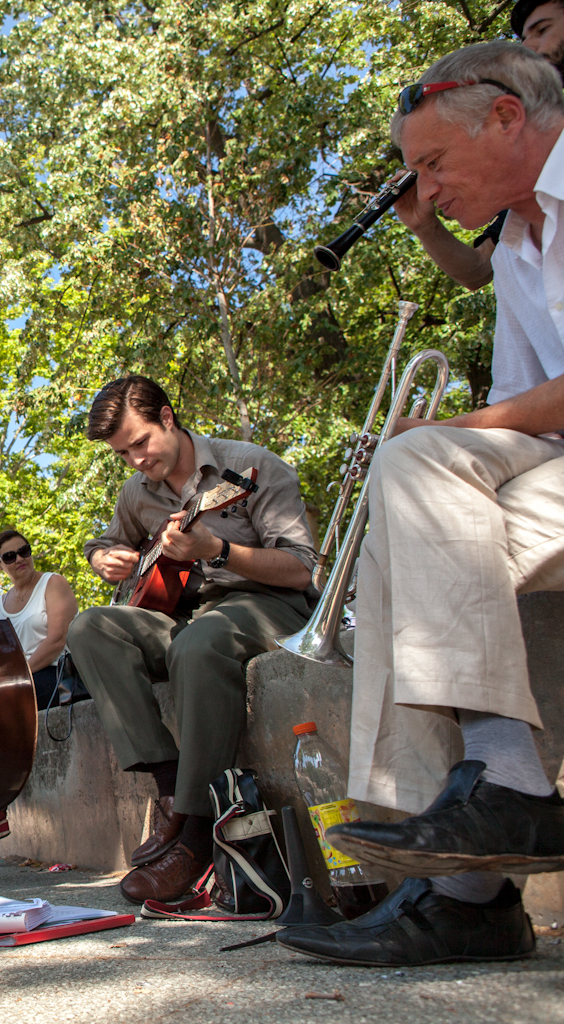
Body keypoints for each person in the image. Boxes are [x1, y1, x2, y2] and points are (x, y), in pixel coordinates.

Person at [276, 41, 564, 968]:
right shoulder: (520, 244)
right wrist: (428, 464)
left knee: (424, 467)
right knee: (407, 507)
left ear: (508, 118)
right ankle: (467, 857)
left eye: (434, 163)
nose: (427, 190)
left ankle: (471, 880)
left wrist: (442, 440)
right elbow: (531, 427)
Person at [65, 375, 316, 906]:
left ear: (168, 418)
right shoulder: (137, 492)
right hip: (186, 615)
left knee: (199, 643)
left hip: (268, 602)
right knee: (89, 628)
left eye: (140, 443)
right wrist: (102, 558)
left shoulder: (248, 465)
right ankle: (171, 786)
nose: (134, 459)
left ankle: (197, 835)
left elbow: (300, 570)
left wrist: (216, 549)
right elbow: (108, 541)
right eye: (121, 453)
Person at [389, 1, 564, 292]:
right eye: (522, 39)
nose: (529, 47)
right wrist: (424, 226)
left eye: (543, 29)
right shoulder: (521, 224)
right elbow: (482, 269)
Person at [0, 530, 78, 851]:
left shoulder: (52, 584)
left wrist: (20, 673)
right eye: (9, 556)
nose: (20, 559)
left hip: (58, 677)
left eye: (23, 551)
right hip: (20, 683)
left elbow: (56, 641)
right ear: (0, 565)